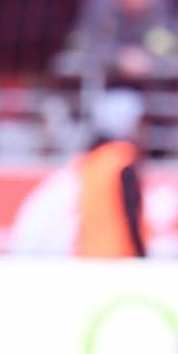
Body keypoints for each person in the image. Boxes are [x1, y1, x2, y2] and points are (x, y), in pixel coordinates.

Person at [72, 89, 148, 258]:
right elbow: (131, 214)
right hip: (119, 254)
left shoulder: (91, 161)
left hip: (89, 253)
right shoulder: (122, 160)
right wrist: (142, 256)